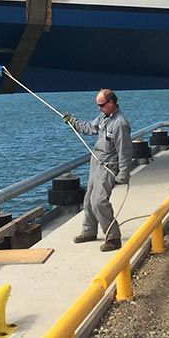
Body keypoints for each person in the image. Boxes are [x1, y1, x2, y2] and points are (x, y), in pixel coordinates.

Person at [63, 88, 132, 251]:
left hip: (108, 166)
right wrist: (72, 121)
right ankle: (89, 231)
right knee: (88, 199)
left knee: (99, 201)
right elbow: (90, 128)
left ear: (111, 103)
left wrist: (123, 174)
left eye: (101, 105)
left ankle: (113, 237)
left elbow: (125, 151)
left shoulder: (120, 124)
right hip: (96, 162)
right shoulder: (103, 117)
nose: (98, 108)